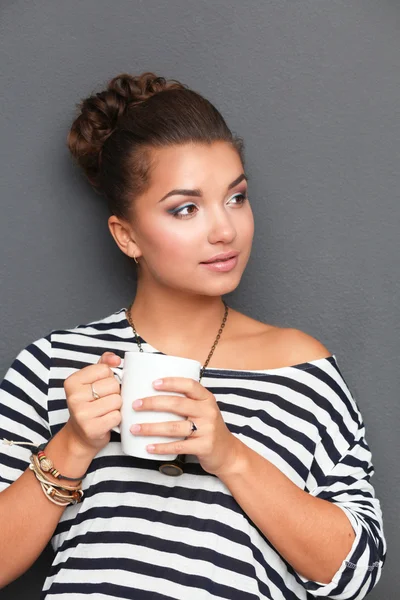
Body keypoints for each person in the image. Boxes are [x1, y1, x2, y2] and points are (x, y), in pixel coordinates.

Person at [0, 72, 386, 600]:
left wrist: (230, 456)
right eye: (185, 208)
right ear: (127, 235)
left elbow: (355, 576)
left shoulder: (302, 369)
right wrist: (72, 444)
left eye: (236, 197)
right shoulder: (52, 365)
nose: (224, 230)